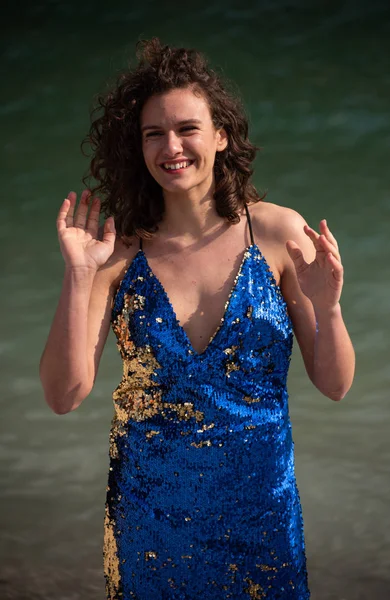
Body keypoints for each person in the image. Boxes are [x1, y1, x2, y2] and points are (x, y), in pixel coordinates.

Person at [39, 38, 355, 600]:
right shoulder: (116, 253)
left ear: (221, 135)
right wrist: (78, 274)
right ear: (137, 147)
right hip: (150, 519)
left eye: (187, 128)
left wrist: (327, 307)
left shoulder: (278, 233)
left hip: (261, 511)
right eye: (153, 133)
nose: (172, 146)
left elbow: (334, 384)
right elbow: (65, 395)